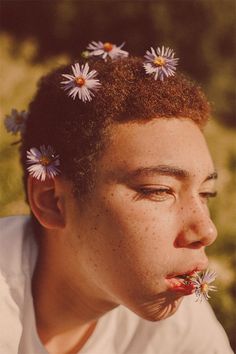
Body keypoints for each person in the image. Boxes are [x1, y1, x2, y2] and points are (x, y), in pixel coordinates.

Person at [0, 43, 233, 354]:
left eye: (205, 194)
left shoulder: (180, 325)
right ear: (52, 201)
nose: (206, 231)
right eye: (159, 190)